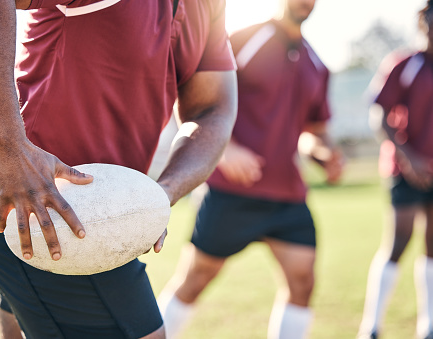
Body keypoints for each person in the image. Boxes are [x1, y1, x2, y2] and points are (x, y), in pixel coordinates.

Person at [0, 0, 237, 338]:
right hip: (37, 207)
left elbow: (212, 108)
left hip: (101, 216)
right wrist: (7, 146)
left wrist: (159, 195)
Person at [157, 0, 343, 338]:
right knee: (195, 280)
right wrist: (223, 150)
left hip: (288, 195)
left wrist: (324, 154)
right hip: (231, 191)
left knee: (302, 282)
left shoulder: (317, 64)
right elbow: (187, 93)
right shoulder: (240, 40)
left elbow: (313, 133)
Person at [357, 2, 433, 339]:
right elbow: (379, 113)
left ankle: (428, 326)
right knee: (398, 242)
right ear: (423, 20)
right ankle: (371, 326)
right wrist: (409, 157)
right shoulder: (406, 63)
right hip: (404, 171)